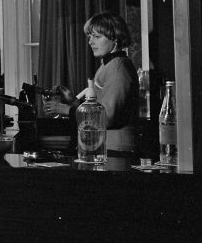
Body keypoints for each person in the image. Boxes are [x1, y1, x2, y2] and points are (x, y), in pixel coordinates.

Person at [43, 11, 139, 154]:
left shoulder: (118, 68)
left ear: (115, 39)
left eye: (97, 36)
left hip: (116, 149)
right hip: (106, 146)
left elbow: (107, 116)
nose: (90, 42)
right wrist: (72, 101)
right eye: (90, 36)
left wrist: (65, 110)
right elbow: (97, 107)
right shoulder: (108, 65)